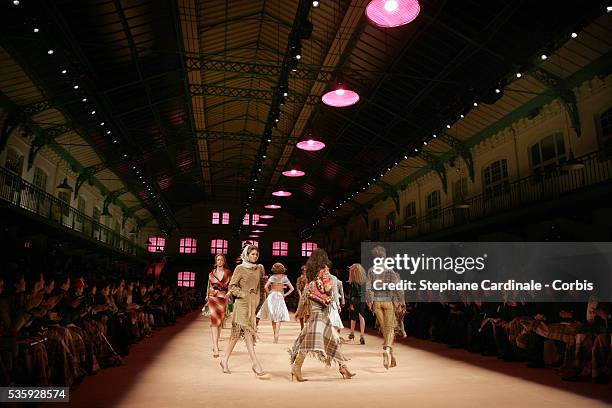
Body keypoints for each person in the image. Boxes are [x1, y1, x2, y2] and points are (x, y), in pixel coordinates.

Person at [289, 248, 356, 382]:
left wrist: (298, 312)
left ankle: (343, 367)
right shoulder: (326, 276)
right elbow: (329, 290)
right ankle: (296, 367)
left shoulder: (310, 281)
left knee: (328, 341)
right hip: (321, 314)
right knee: (313, 341)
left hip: (317, 314)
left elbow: (303, 298)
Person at [219, 245, 266, 377]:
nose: (255, 256)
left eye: (256, 254)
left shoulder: (258, 269)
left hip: (252, 305)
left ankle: (224, 360)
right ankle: (256, 363)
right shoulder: (239, 268)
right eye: (252, 254)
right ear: (247, 254)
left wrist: (258, 302)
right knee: (247, 333)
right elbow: (232, 286)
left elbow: (259, 289)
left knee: (235, 335)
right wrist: (243, 294)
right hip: (241, 304)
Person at [366, 246, 406, 369]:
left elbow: (368, 288)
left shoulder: (371, 270)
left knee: (385, 330)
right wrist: (402, 302)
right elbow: (398, 288)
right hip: (388, 301)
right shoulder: (390, 271)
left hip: (377, 303)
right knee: (390, 329)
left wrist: (369, 301)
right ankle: (387, 350)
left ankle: (392, 357)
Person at [256, 263, 294, 343]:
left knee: (273, 317)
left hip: (272, 296)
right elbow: (292, 288)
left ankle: (275, 335)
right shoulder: (285, 278)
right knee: (278, 317)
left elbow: (266, 286)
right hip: (280, 296)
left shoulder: (273, 277)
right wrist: (285, 295)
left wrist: (269, 293)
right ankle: (276, 335)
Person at [206, 254, 232, 358]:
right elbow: (208, 286)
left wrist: (229, 294)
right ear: (216, 261)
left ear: (224, 261)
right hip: (213, 297)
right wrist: (207, 296)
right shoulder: (211, 273)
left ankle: (216, 341)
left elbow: (232, 285)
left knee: (220, 322)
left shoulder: (228, 272)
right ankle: (215, 347)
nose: (219, 261)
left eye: (221, 260)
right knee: (214, 322)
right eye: (218, 260)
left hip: (224, 298)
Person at [348, 263, 367, 345]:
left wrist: (351, 303)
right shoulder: (364, 281)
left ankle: (352, 333)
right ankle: (362, 335)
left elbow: (352, 293)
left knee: (353, 317)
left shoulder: (353, 282)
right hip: (362, 300)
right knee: (361, 317)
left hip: (355, 299)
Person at [294, 266, 309, 330]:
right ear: (302, 271)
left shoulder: (309, 278)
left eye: (306, 270)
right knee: (301, 312)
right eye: (304, 270)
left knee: (307, 312)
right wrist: (300, 295)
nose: (305, 271)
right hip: (302, 295)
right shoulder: (299, 278)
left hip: (308, 296)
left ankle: (307, 327)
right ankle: (302, 327)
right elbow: (298, 288)